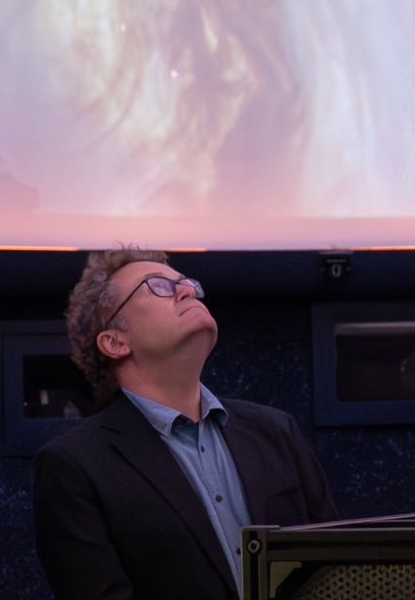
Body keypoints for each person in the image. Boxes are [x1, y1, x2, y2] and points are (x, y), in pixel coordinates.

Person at [33, 248, 338, 600]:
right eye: (158, 286)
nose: (187, 290)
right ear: (115, 342)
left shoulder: (276, 431)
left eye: (188, 283)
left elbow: (335, 569)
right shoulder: (74, 464)